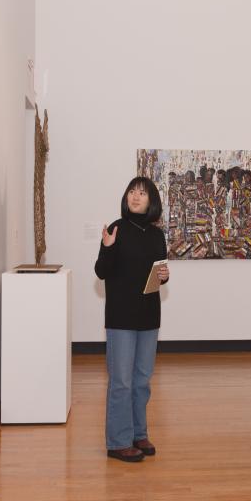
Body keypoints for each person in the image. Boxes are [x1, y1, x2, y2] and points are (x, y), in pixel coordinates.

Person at [94, 176, 170, 463]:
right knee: (121, 382)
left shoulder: (156, 235)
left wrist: (164, 276)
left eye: (142, 193)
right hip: (121, 317)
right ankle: (118, 441)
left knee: (141, 381)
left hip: (149, 316)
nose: (135, 197)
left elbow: (156, 274)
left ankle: (139, 434)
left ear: (151, 201)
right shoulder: (116, 229)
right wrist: (108, 247)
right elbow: (101, 272)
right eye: (131, 192)